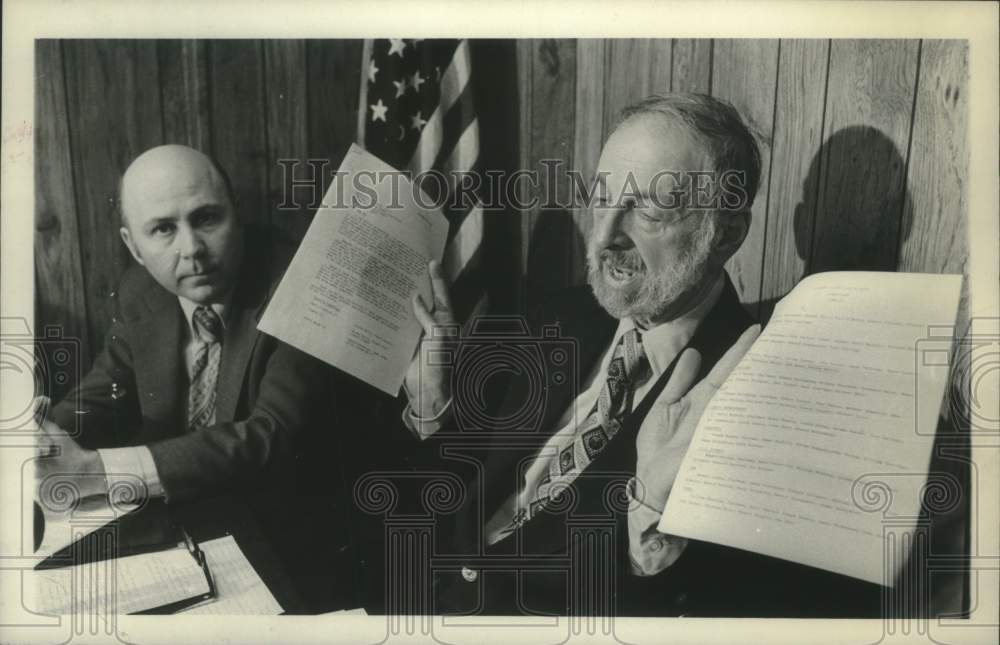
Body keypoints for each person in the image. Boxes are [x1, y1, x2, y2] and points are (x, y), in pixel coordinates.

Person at [394, 93, 881, 617]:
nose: (603, 236)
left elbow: (734, 607)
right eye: (602, 198)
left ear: (727, 234)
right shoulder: (557, 317)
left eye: (648, 211)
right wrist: (434, 405)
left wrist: (648, 546)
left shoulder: (751, 394)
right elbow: (456, 506)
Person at [33, 145, 356, 611]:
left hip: (292, 544)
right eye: (163, 229)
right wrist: (47, 437)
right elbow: (106, 390)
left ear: (236, 214)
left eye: (206, 219)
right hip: (181, 533)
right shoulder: (140, 291)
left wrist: (96, 470)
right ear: (133, 246)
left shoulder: (303, 286)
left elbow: (269, 436)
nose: (192, 249)